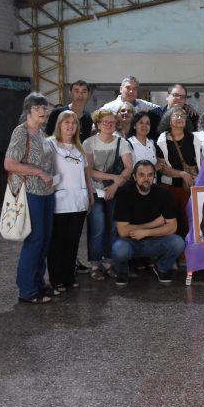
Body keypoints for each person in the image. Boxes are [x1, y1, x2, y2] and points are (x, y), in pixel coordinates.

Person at [4, 92, 56, 304]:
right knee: (34, 239)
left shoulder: (42, 132)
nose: (42, 111)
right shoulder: (21, 132)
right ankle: (26, 290)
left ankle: (38, 283)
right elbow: (9, 164)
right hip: (30, 192)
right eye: (37, 108)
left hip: (46, 192)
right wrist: (40, 173)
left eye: (44, 108)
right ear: (27, 112)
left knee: (44, 240)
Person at [111, 160, 186, 285]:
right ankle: (122, 271)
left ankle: (161, 268)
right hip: (130, 241)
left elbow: (172, 227)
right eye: (141, 175)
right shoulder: (124, 194)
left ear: (154, 177)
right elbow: (123, 231)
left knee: (178, 242)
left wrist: (146, 232)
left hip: (154, 241)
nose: (146, 179)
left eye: (150, 175)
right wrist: (153, 224)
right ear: (134, 177)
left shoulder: (164, 194)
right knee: (119, 249)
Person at [83, 109, 133, 280]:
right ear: (98, 124)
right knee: (98, 227)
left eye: (112, 122)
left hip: (114, 191)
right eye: (105, 122)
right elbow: (89, 171)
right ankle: (95, 264)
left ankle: (108, 262)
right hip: (95, 191)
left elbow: (128, 167)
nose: (109, 125)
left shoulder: (122, 143)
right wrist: (113, 177)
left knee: (112, 228)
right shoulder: (89, 143)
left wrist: (114, 187)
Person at [47, 110, 93, 292]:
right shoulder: (50, 144)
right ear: (59, 125)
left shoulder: (79, 148)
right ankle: (56, 278)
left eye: (74, 123)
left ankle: (69, 276)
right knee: (57, 242)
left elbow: (86, 174)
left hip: (78, 201)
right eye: (66, 122)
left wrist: (89, 193)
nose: (70, 126)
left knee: (73, 242)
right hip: (59, 202)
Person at [156, 106, 201, 243]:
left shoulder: (193, 138)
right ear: (169, 120)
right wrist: (182, 174)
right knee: (171, 222)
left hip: (190, 188)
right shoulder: (162, 140)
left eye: (183, 116)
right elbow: (162, 168)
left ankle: (186, 255)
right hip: (169, 188)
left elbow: (199, 163)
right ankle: (173, 255)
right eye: (177, 116)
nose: (181, 118)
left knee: (188, 222)